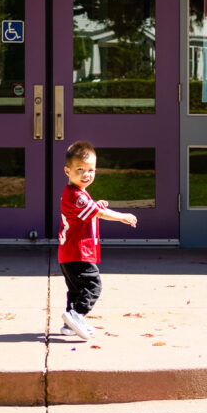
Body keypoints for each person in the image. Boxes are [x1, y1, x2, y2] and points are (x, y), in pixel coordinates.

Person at [58, 140, 137, 340]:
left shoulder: (77, 193)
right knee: (93, 285)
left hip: (69, 253)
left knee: (76, 289)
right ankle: (76, 315)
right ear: (67, 171)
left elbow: (89, 210)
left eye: (91, 170)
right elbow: (99, 213)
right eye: (80, 169)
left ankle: (71, 325)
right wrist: (122, 217)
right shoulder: (77, 195)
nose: (86, 174)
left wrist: (96, 204)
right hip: (78, 252)